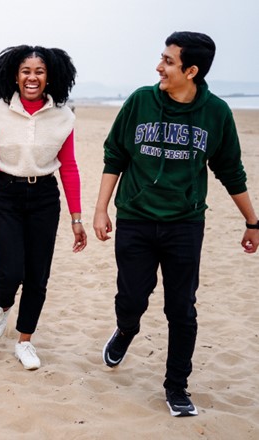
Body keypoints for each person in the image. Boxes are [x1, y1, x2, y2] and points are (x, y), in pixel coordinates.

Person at [94, 31, 259, 417]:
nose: (159, 67)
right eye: (162, 58)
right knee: (132, 298)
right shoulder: (139, 101)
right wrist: (101, 209)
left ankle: (177, 386)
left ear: (192, 70)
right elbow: (114, 154)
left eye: (168, 61)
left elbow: (230, 170)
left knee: (181, 308)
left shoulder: (216, 113)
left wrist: (253, 221)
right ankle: (126, 330)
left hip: (185, 224)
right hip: (134, 219)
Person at [0, 45, 87, 370]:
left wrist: (76, 217)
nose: (32, 77)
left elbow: (69, 167)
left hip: (44, 199)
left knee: (38, 275)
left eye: (39, 71)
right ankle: (2, 303)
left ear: (50, 77)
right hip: (5, 195)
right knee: (10, 271)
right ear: (15, 75)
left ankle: (25, 341)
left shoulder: (64, 117)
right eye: (26, 71)